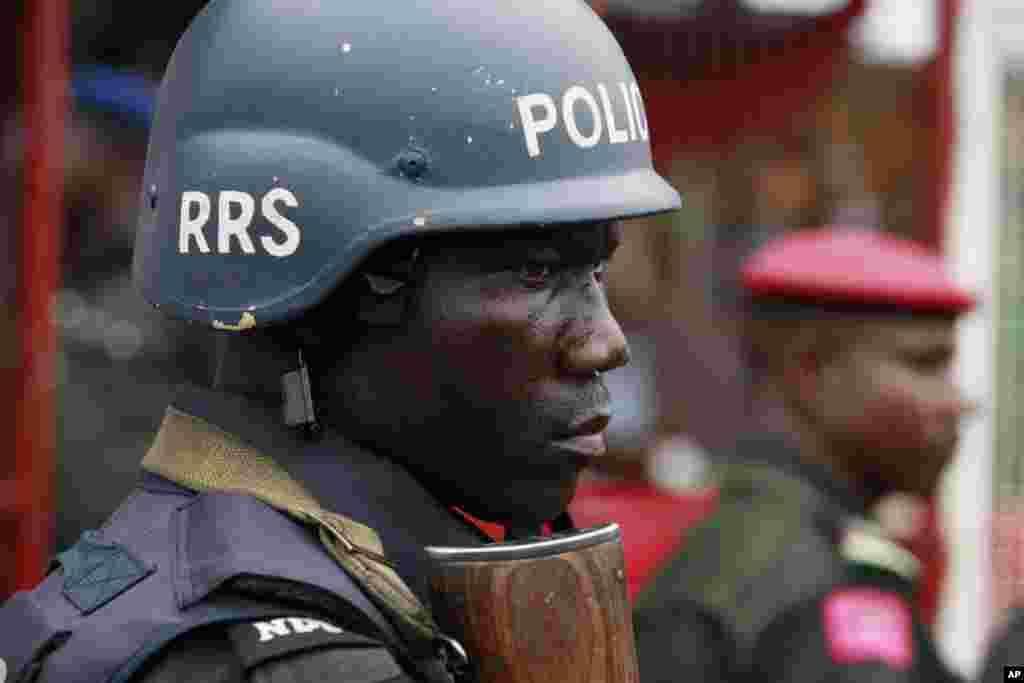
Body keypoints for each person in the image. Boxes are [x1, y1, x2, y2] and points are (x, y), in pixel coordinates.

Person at [0, 1, 681, 681]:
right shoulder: (303, 656)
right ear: (350, 276)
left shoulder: (157, 577)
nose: (604, 342)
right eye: (537, 272)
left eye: (594, 269)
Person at [633, 226, 976, 682]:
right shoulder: (808, 582)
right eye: (925, 364)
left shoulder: (783, 549)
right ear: (809, 366)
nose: (960, 402)